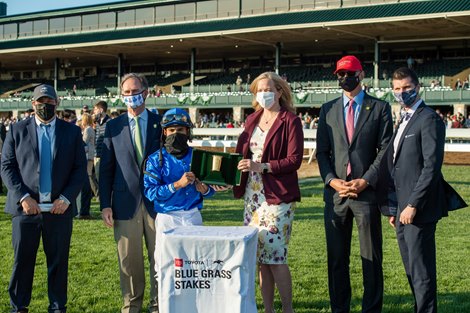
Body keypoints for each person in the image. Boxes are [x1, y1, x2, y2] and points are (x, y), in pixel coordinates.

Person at [380, 67, 467, 313]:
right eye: (397, 89)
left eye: (406, 88)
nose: (401, 93)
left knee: (421, 270)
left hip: (419, 208)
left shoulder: (428, 119)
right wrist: (395, 206)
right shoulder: (404, 119)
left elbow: (431, 166)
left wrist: (413, 204)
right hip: (401, 208)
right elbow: (398, 166)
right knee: (411, 268)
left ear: (418, 87)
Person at [315, 55, 393, 313]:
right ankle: (340, 309)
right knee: (337, 260)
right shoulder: (327, 109)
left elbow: (385, 151)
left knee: (371, 259)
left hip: (366, 194)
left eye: (349, 73)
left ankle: (372, 309)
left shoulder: (380, 108)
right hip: (336, 195)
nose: (344, 78)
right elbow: (323, 152)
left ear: (361, 75)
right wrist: (332, 181)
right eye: (339, 74)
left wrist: (366, 180)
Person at [1, 84, 87, 313]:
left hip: (59, 210)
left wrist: (67, 198)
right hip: (26, 210)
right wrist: (23, 197)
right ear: (33, 104)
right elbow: (7, 167)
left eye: (49, 102)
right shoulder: (17, 130)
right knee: (22, 262)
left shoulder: (72, 132)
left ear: (57, 103)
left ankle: (58, 307)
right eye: (41, 102)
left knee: (58, 264)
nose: (45, 106)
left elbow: (79, 169)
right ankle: (18, 307)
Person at [233, 72, 304, 313]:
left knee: (276, 257)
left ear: (279, 91)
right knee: (261, 259)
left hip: (277, 197)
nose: (262, 93)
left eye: (266, 88)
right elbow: (239, 153)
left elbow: (294, 160)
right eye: (257, 90)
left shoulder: (290, 121)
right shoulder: (251, 119)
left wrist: (262, 166)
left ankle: (287, 309)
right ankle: (268, 309)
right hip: (252, 197)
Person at [99, 73, 161, 313]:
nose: (131, 96)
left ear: (145, 92)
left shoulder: (160, 123)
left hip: (157, 204)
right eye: (126, 93)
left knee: (160, 259)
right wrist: (105, 204)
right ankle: (131, 307)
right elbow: (105, 170)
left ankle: (158, 306)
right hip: (124, 204)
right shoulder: (113, 127)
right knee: (129, 263)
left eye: (135, 91)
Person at [77, 113, 98, 219]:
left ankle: (94, 193)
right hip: (90, 154)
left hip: (87, 155)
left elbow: (84, 142)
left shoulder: (88, 129)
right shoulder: (90, 129)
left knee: (88, 177)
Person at [93, 100, 110, 189]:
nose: (94, 112)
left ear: (101, 110)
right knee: (98, 177)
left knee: (104, 178)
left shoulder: (110, 122)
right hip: (97, 154)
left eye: (95, 109)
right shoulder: (97, 122)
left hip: (105, 155)